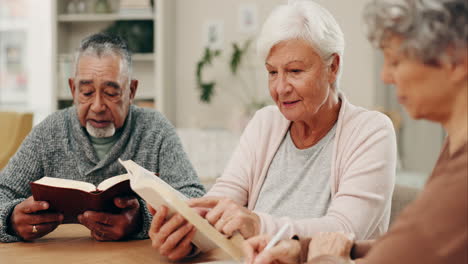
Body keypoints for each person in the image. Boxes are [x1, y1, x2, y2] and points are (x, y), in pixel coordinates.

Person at [149, 1, 397, 260]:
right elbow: (224, 196)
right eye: (272, 72)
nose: (280, 88)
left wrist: (258, 224)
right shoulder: (265, 122)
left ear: (332, 67)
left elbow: (345, 230)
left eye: (294, 71)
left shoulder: (371, 131)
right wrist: (191, 232)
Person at [243, 0, 468, 263]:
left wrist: (322, 257)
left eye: (395, 61)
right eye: (272, 72)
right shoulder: (454, 147)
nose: (385, 76)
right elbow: (409, 248)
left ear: (456, 61)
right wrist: (302, 249)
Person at [0, 33, 205, 243]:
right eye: (87, 92)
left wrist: (141, 221)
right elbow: (3, 192)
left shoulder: (155, 128)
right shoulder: (49, 131)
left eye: (111, 92)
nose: (98, 107)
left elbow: (195, 199)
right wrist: (10, 221)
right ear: (73, 89)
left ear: (131, 91)